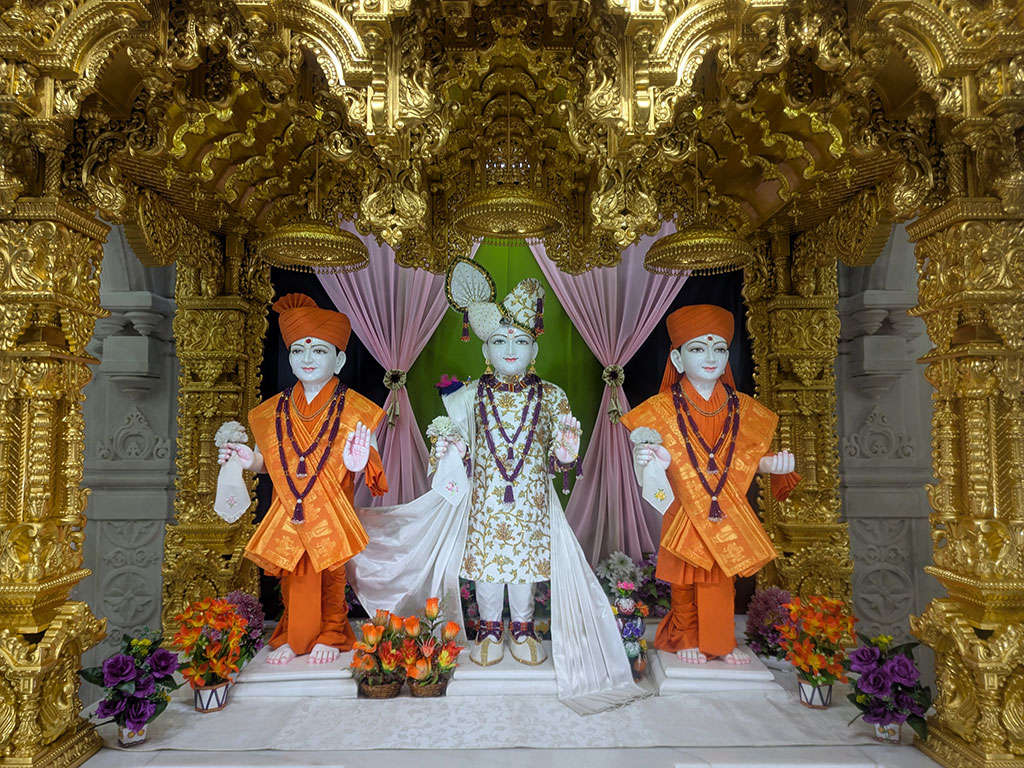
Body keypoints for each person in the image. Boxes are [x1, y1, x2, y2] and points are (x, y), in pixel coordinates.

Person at [349, 260, 645, 713]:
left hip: (531, 498)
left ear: (535, 352)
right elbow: (453, 446)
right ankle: (489, 627)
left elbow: (562, 458)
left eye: (522, 341)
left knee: (524, 563)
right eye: (501, 341)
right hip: (484, 497)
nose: (511, 348)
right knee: (488, 565)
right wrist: (447, 446)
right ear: (486, 350)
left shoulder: (553, 396)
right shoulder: (464, 396)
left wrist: (566, 449)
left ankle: (522, 628)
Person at [621, 304, 798, 665]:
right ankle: (686, 634)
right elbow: (657, 465)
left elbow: (746, 458)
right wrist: (651, 461)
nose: (710, 357)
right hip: (684, 503)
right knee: (685, 572)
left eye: (719, 349)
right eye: (698, 348)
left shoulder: (746, 410)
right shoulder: (659, 410)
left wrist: (772, 465)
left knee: (722, 569)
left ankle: (720, 640)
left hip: (725, 507)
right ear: (677, 357)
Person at [218, 294, 387, 665]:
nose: (307, 360)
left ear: (339, 359)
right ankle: (292, 633)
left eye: (318, 351)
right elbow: (273, 464)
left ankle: (331, 633)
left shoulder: (356, 409)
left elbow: (367, 461)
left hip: (331, 506)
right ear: (289, 357)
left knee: (331, 573)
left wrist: (360, 461)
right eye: (298, 351)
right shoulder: (271, 412)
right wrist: (251, 460)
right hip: (289, 505)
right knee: (289, 570)